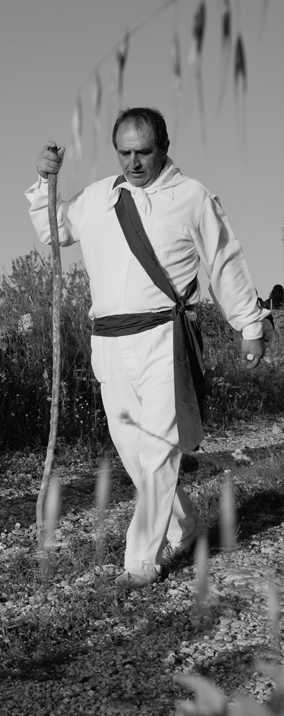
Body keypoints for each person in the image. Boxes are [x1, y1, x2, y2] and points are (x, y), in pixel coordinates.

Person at [27, 107, 272, 589]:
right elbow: (54, 231)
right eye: (125, 153)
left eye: (144, 152)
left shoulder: (191, 196)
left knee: (159, 450)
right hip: (109, 343)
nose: (134, 163)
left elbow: (223, 259)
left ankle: (139, 562)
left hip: (166, 338)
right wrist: (43, 182)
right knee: (136, 453)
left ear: (164, 147)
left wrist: (250, 323)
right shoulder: (98, 196)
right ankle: (188, 526)